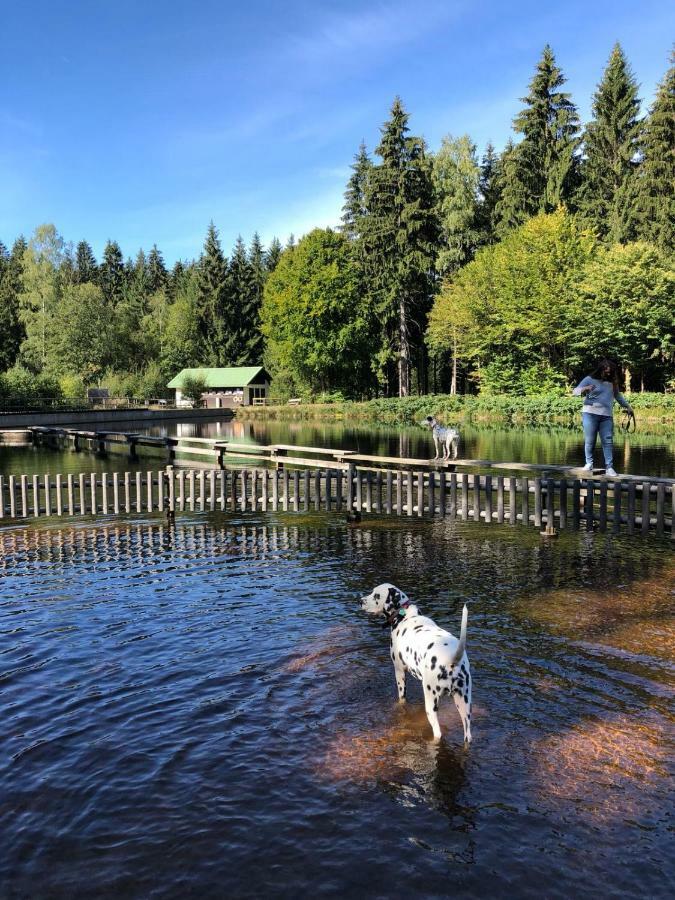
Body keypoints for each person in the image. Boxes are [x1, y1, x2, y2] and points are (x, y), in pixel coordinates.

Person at [572, 358, 633, 477]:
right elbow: (575, 391)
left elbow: (618, 396)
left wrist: (628, 407)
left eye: (610, 372)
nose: (608, 373)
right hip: (589, 414)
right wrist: (585, 389)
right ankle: (589, 463)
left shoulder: (612, 383)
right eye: (606, 371)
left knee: (608, 441)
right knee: (590, 440)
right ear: (601, 370)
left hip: (606, 416)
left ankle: (609, 467)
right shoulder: (589, 379)